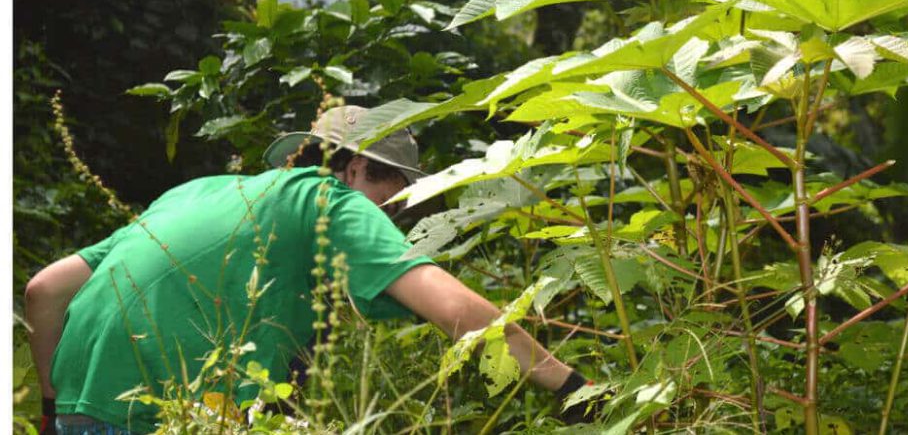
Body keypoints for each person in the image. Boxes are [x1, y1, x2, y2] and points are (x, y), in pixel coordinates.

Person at [25, 105, 594, 434]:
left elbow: (45, 289)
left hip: (82, 407)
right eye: (395, 199)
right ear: (357, 171)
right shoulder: (329, 200)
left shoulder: (199, 192)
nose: (395, 219)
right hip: (164, 414)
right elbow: (455, 309)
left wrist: (51, 410)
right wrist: (572, 388)